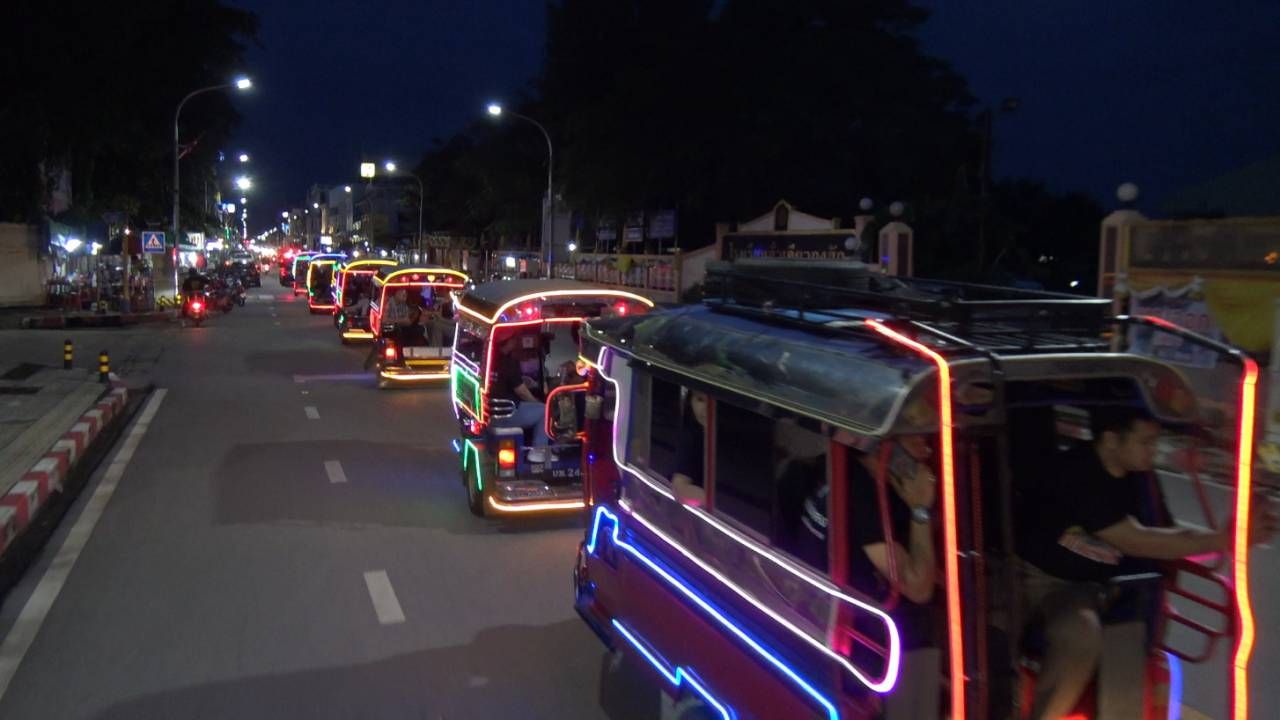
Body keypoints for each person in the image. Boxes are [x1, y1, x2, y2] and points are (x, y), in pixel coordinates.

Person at [1017, 406, 1278, 719]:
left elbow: (1168, 539)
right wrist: (1223, 539)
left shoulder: (1142, 481)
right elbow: (1137, 540)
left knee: (1087, 633)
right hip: (1029, 577)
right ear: (1111, 440)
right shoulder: (1078, 473)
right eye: (1145, 442)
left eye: (1155, 442)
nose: (1153, 451)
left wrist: (1226, 538)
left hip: (1080, 588)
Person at [491, 333, 552, 461]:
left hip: (493, 414)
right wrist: (537, 402)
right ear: (509, 342)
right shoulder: (508, 362)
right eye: (514, 339)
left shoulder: (491, 359)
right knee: (545, 410)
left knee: (536, 408)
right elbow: (522, 392)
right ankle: (538, 451)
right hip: (507, 415)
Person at [671, 390, 708, 506]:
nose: (707, 408)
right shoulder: (691, 438)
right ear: (690, 401)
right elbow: (679, 489)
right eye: (700, 399)